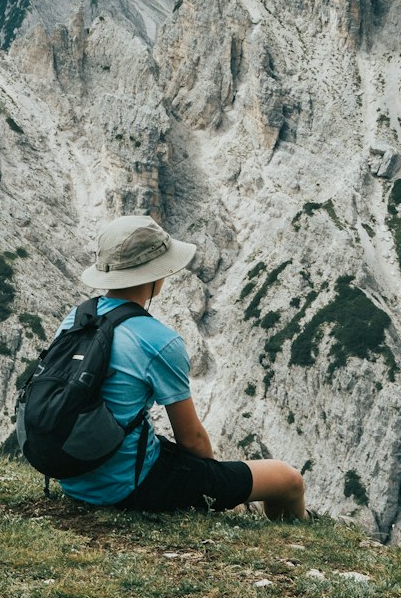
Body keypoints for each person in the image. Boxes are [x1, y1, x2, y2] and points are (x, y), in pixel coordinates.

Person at [54, 214, 307, 520]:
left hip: (74, 475)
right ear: (154, 275)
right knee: (287, 479)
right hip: (128, 486)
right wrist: (217, 490)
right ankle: (298, 534)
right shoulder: (159, 340)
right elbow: (192, 440)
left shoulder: (77, 317)